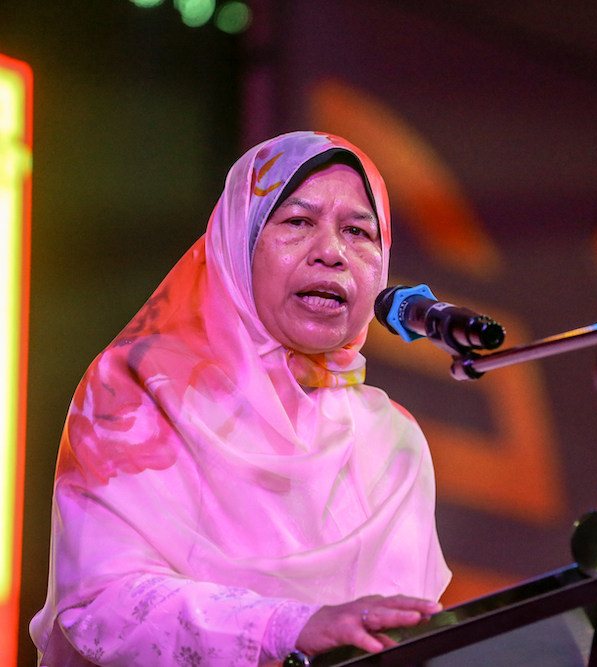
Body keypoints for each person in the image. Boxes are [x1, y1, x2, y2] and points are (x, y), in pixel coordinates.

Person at [29, 131, 451, 667]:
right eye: (297, 222)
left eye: (359, 232)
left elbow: (403, 638)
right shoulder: (143, 390)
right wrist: (286, 627)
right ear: (237, 242)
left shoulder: (392, 441)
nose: (331, 252)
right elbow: (100, 603)